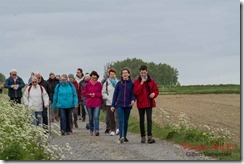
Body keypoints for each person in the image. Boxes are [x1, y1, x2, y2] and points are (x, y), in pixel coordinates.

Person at [133, 65, 159, 144]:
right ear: (140, 72)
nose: (143, 74)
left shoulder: (151, 80)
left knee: (149, 120)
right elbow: (136, 92)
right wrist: (141, 83)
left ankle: (150, 137)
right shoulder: (137, 81)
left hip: (149, 103)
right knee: (141, 120)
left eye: (144, 73)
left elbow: (156, 90)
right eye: (142, 73)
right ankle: (143, 137)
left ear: (147, 72)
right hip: (141, 103)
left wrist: (154, 94)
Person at [111, 68, 136, 144]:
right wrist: (113, 105)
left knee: (126, 121)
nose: (125, 74)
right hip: (119, 105)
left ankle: (124, 136)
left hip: (128, 105)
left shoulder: (131, 84)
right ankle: (121, 136)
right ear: (121, 75)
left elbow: (133, 94)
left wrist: (133, 99)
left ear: (129, 74)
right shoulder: (119, 84)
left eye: (126, 73)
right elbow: (115, 95)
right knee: (121, 120)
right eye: (123, 73)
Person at [83, 71, 102, 136]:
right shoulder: (87, 84)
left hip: (97, 103)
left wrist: (95, 94)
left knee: (96, 116)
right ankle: (91, 129)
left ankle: (96, 130)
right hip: (89, 103)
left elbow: (100, 93)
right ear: (91, 77)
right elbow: (84, 93)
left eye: (95, 76)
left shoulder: (99, 84)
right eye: (93, 76)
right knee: (91, 118)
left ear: (97, 77)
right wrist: (89, 94)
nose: (94, 77)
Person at [102, 68, 119, 136]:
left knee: (117, 116)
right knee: (111, 117)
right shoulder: (106, 83)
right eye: (111, 74)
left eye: (113, 74)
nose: (112, 75)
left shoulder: (118, 82)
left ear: (115, 74)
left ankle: (118, 129)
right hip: (109, 102)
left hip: (117, 102)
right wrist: (108, 97)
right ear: (109, 75)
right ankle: (112, 130)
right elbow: (103, 93)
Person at [101, 68, 111, 133]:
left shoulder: (116, 81)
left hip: (113, 101)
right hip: (105, 101)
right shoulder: (103, 81)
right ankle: (108, 126)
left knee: (114, 116)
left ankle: (113, 128)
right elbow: (101, 91)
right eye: (108, 72)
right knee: (107, 116)